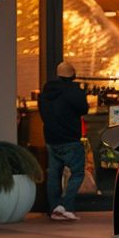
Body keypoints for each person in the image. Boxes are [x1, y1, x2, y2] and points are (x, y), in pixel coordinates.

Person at [38, 61, 88, 221]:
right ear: (73, 74)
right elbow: (84, 109)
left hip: (52, 138)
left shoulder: (46, 92)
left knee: (54, 175)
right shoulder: (74, 91)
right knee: (78, 172)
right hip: (70, 138)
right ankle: (64, 205)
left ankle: (54, 209)